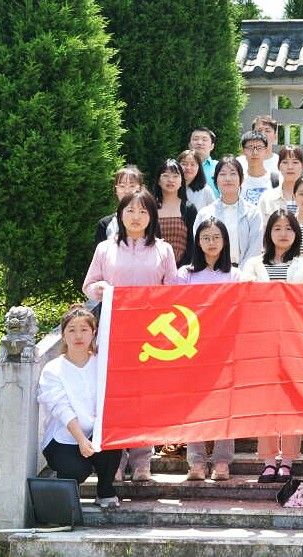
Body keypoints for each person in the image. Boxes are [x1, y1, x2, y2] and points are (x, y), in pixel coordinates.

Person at [83, 190, 177, 482]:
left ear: (152, 217)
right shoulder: (105, 249)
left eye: (143, 211)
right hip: (115, 333)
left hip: (150, 335)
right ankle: (115, 460)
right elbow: (89, 285)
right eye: (130, 211)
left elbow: (174, 291)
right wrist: (101, 289)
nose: (136, 217)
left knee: (145, 398)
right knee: (115, 398)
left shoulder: (163, 250)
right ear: (120, 214)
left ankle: (142, 461)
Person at [242, 209, 303, 483]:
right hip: (262, 341)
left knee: (292, 401)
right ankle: (269, 460)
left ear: (297, 233)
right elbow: (245, 295)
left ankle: (288, 460)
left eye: (289, 228)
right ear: (268, 232)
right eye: (277, 228)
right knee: (266, 401)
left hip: (295, 340)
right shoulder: (253, 264)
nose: (283, 233)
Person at [38, 305, 122, 509]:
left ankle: (105, 490)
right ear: (63, 335)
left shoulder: (102, 364)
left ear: (93, 333)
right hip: (64, 438)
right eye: (72, 330)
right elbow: (62, 408)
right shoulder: (53, 369)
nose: (78, 336)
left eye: (84, 330)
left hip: (97, 433)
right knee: (77, 469)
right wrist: (82, 441)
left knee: (112, 445)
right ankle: (66, 491)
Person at [175, 219, 238, 481]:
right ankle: (197, 462)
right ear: (197, 242)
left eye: (216, 237)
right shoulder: (185, 274)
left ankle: (222, 461)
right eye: (205, 238)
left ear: (225, 241)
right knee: (195, 405)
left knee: (225, 406)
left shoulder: (235, 275)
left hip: (225, 349)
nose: (211, 243)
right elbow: (177, 309)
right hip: (193, 349)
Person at [194, 156, 264, 268]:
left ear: (241, 179)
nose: (228, 178)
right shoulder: (205, 214)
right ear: (215, 180)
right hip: (214, 272)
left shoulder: (253, 213)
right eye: (222, 174)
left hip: (246, 272)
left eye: (233, 173)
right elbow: (199, 245)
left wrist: (240, 273)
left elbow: (255, 248)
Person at [152, 158, 197, 267]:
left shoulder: (189, 209)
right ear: (158, 181)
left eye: (175, 176)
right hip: (153, 268)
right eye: (165, 175)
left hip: (182, 270)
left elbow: (193, 244)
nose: (170, 180)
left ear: (182, 181)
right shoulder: (150, 208)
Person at [95, 165, 144, 246]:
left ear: (140, 189)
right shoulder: (105, 224)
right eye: (122, 186)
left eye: (132, 186)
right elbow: (100, 253)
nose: (127, 191)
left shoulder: (150, 220)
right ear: (116, 190)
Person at [258, 145, 303, 218]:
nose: (290, 167)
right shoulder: (267, 197)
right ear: (278, 166)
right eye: (285, 162)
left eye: (295, 162)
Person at [239, 131, 275, 206]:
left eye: (259, 148)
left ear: (266, 150)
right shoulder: (238, 180)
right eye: (250, 148)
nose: (255, 152)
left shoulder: (275, 179)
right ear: (243, 151)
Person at [188, 126, 219, 196]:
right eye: (195, 139)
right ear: (189, 145)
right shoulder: (181, 167)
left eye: (204, 140)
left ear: (212, 146)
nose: (199, 142)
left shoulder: (220, 167)